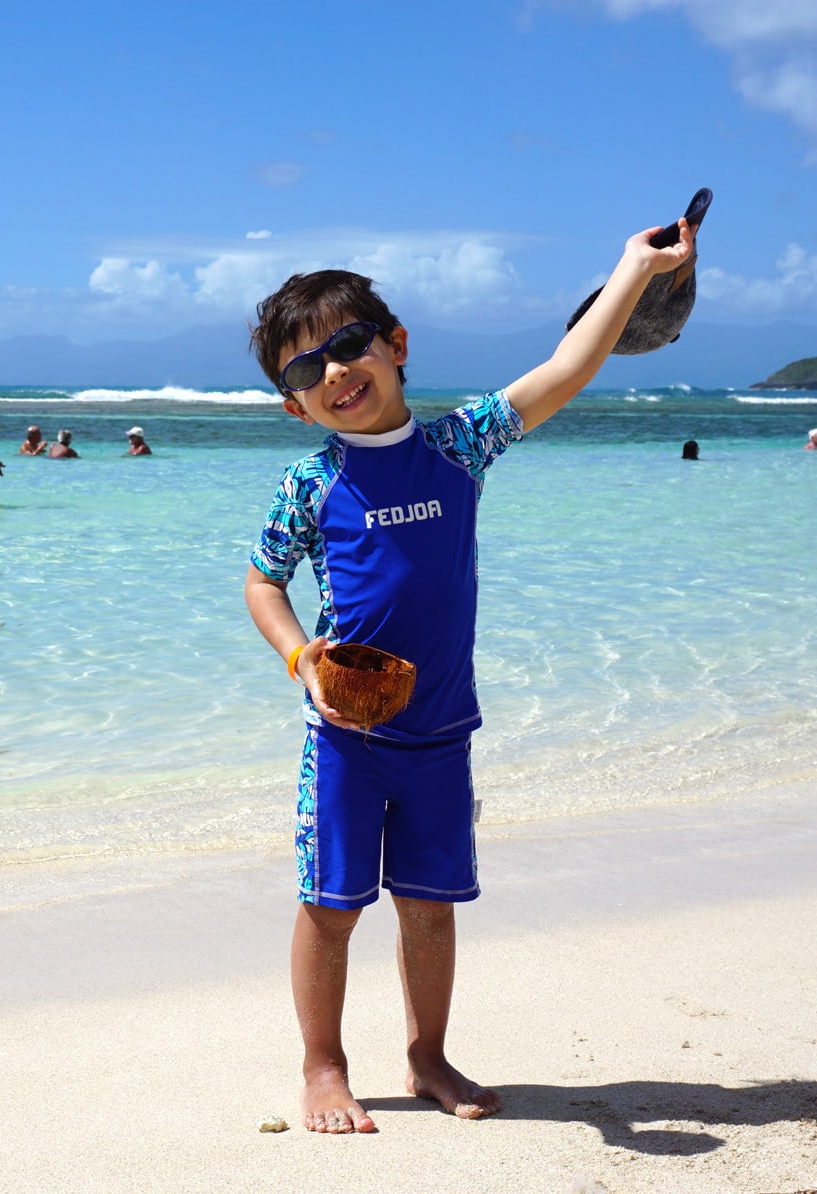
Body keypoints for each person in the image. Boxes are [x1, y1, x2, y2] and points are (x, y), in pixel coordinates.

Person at [243, 217, 697, 1134]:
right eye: (304, 370)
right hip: (348, 737)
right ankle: (324, 1066)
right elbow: (262, 580)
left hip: (442, 733)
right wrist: (303, 659)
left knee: (431, 908)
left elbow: (566, 369)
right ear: (295, 404)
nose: (333, 372)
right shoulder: (310, 482)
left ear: (396, 345)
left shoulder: (459, 447)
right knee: (330, 908)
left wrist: (633, 269)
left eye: (346, 345)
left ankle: (425, 1056)